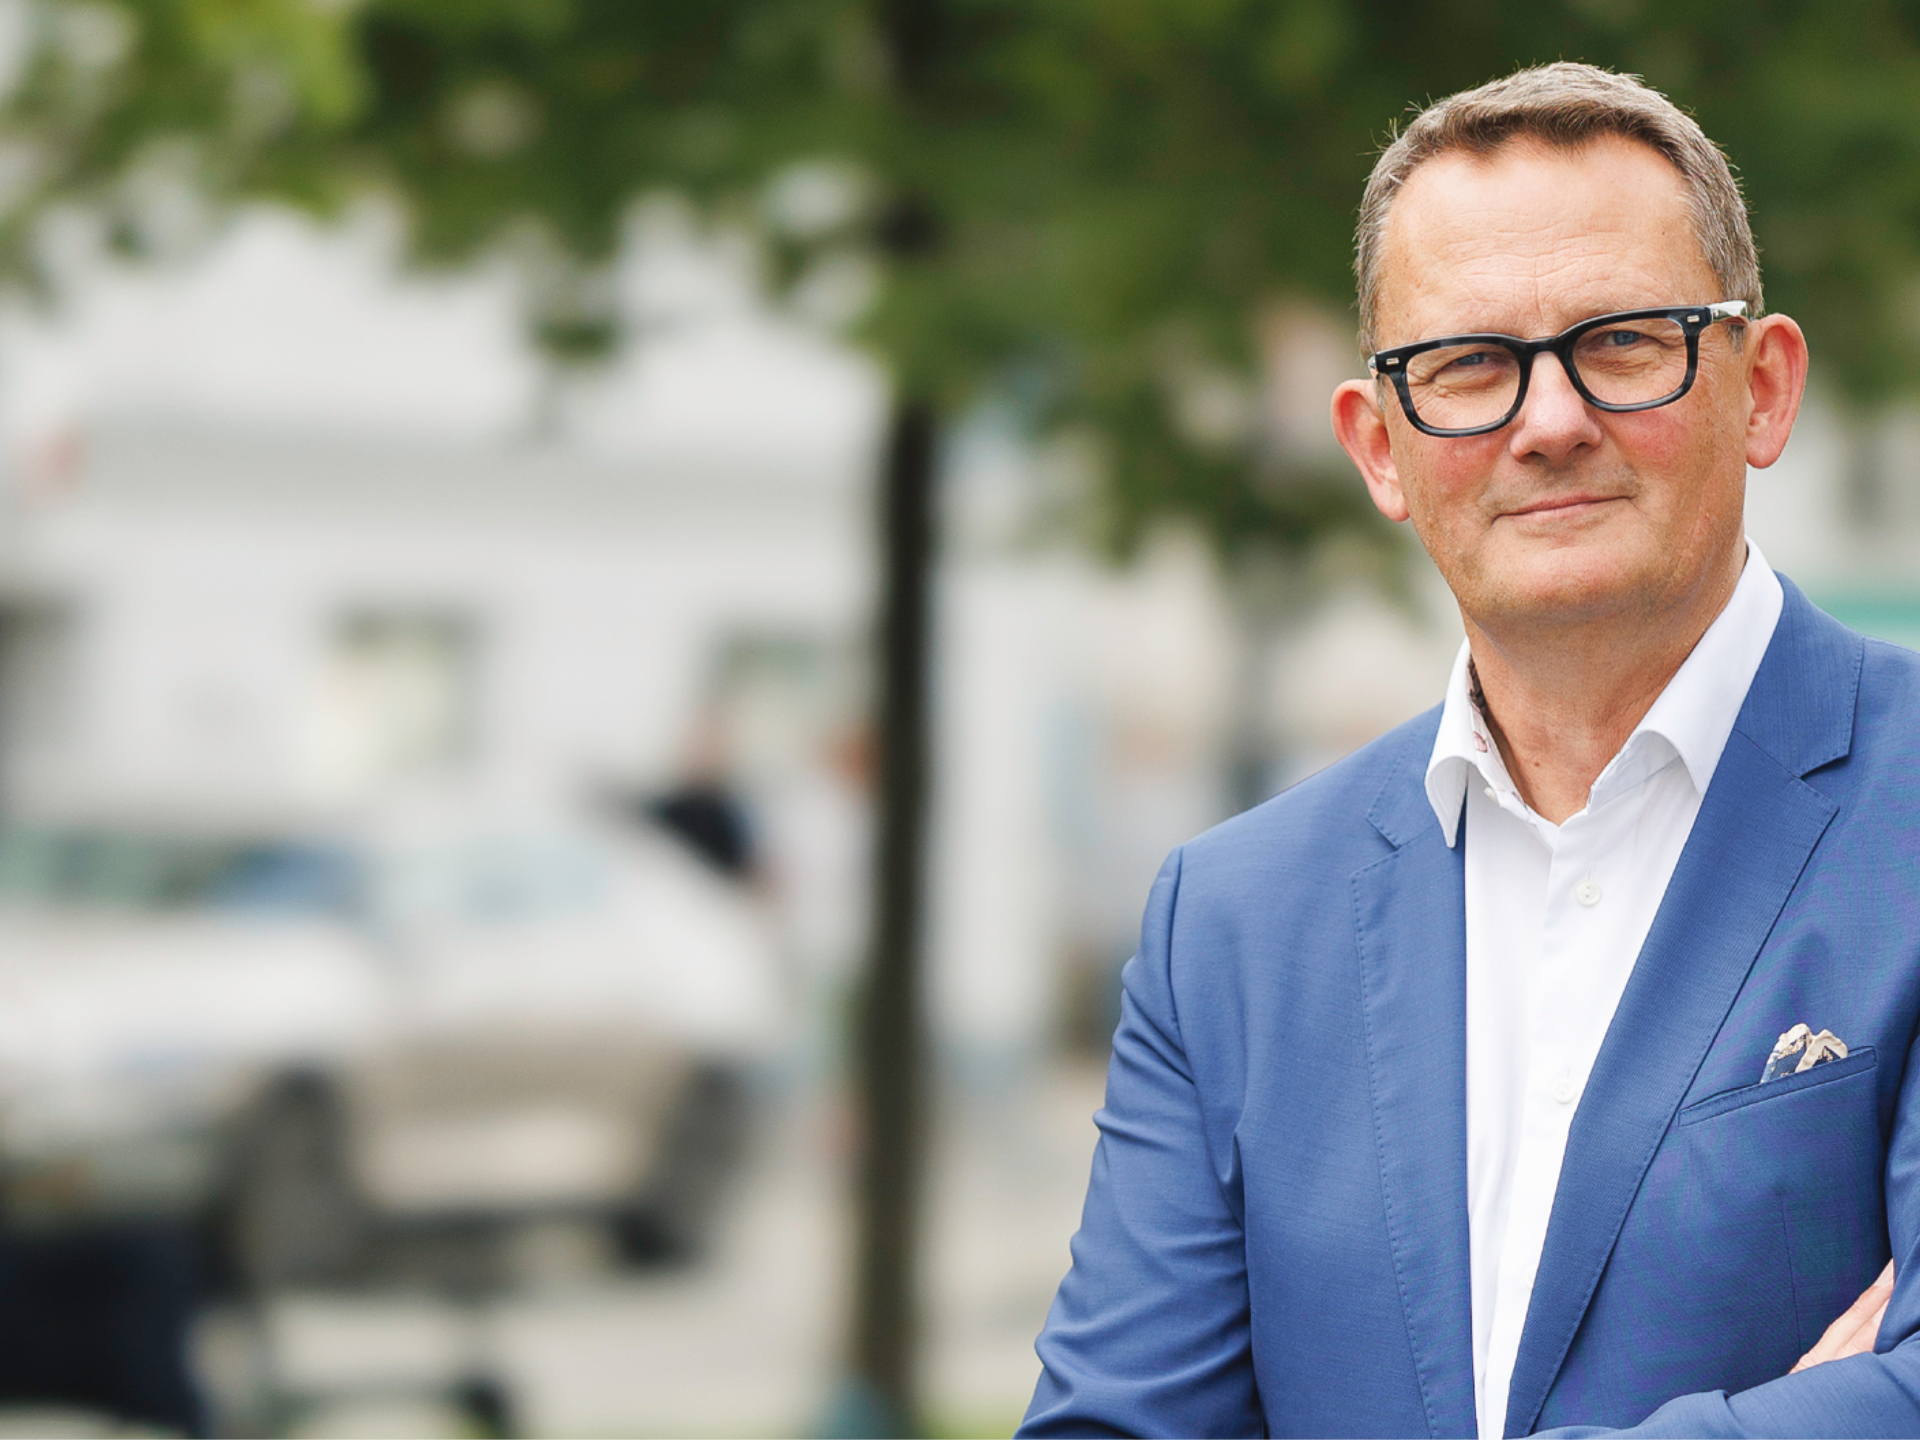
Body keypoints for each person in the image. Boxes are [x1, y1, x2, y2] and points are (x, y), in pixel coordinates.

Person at [1019, 63, 1920, 1439]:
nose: (1548, 423)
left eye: (1624, 342)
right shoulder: (1235, 924)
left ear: (1764, 389)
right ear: (1379, 448)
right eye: (1469, 366)